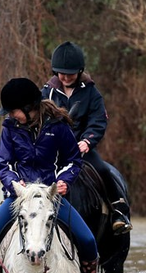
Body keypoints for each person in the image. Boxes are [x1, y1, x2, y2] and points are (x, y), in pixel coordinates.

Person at [0, 77, 103, 273]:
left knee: (88, 241)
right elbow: (3, 164)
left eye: (14, 111)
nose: (12, 116)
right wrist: (15, 185)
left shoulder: (58, 126)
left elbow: (73, 160)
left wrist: (64, 180)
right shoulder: (10, 128)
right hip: (19, 198)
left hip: (50, 197)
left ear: (29, 107)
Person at [42, 41, 132, 235]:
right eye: (62, 73)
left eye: (70, 74)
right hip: (54, 151)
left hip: (81, 149)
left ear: (80, 71)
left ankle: (118, 210)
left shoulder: (91, 92)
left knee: (103, 169)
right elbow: (41, 121)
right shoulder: (46, 92)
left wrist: (87, 141)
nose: (65, 77)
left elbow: (98, 120)